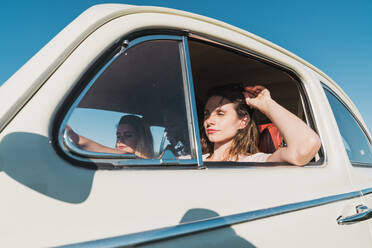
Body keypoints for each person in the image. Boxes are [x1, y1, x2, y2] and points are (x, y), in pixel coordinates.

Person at [201, 84, 321, 165]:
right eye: (207, 114)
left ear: (243, 122)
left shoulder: (254, 162)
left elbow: (307, 144)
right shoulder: (194, 160)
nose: (209, 121)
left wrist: (266, 104)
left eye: (220, 113)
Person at [66, 115, 154, 159]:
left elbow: (84, 143)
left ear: (141, 139)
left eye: (128, 135)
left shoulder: (136, 160)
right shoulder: (117, 162)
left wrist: (70, 132)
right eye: (118, 136)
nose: (120, 140)